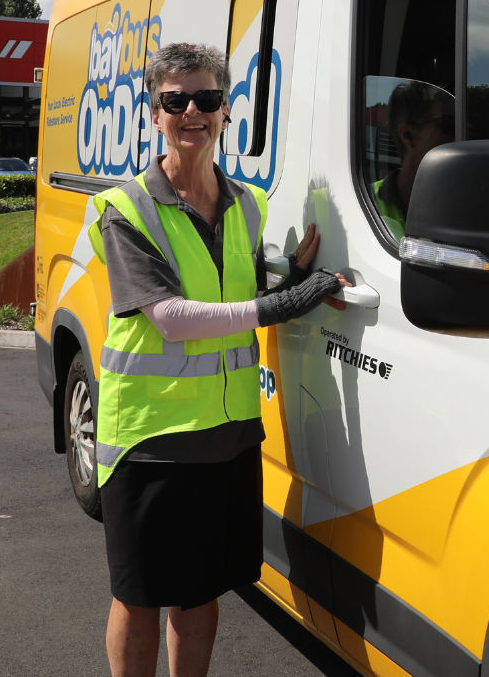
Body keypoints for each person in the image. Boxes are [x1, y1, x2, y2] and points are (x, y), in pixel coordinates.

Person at [86, 41, 348, 677]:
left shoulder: (248, 205)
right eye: (176, 101)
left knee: (201, 596)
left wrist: (291, 281)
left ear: (225, 112)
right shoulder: (127, 210)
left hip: (226, 435)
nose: (191, 112)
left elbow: (237, 290)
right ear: (155, 114)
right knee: (139, 598)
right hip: (149, 439)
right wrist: (281, 307)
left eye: (206, 99)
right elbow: (171, 318)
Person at [373, 80, 455, 240]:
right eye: (449, 124)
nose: (459, 136)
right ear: (407, 135)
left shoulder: (464, 204)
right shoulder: (359, 202)